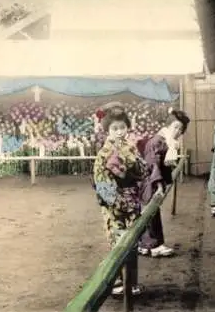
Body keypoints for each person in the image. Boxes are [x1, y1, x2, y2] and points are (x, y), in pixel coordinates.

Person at [92, 102, 147, 296]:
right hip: (113, 206)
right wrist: (116, 201)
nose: (119, 132)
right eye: (114, 128)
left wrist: (131, 164)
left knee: (132, 244)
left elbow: (142, 172)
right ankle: (117, 280)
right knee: (117, 243)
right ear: (107, 130)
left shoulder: (131, 148)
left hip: (132, 201)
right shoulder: (103, 154)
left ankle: (132, 282)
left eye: (122, 127)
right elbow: (101, 182)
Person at [137, 107, 190, 257]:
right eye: (176, 127)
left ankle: (145, 245)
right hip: (148, 181)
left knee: (151, 212)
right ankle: (154, 245)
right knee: (150, 212)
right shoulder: (157, 141)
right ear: (168, 126)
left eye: (181, 129)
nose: (178, 131)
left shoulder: (166, 141)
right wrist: (159, 185)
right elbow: (153, 164)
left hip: (151, 180)